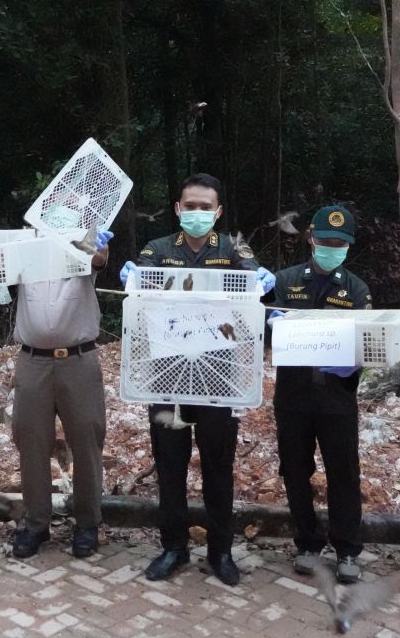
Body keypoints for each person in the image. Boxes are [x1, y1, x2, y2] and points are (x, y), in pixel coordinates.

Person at [119, 173, 276, 587]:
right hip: (166, 374)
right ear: (177, 208)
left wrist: (262, 280)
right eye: (190, 206)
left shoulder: (231, 247)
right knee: (169, 466)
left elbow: (252, 275)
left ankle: (221, 551)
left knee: (217, 467)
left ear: (218, 211)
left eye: (206, 207)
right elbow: (140, 284)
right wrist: (132, 277)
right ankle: (173, 547)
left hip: (217, 375)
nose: (197, 213)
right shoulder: (157, 249)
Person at [0, 224, 113, 559]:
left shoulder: (78, 248)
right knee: (30, 440)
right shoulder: (23, 251)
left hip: (79, 359)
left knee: (86, 441)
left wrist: (97, 246)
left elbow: (99, 259)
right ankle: (36, 523)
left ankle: (87, 524)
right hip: (32, 361)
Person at [267, 205, 372, 584]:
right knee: (296, 470)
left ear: (349, 246)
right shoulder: (285, 281)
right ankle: (307, 542)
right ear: (311, 238)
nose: (332, 248)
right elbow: (262, 334)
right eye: (326, 241)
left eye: (340, 244)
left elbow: (368, 343)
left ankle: (347, 549)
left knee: (343, 473)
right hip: (293, 396)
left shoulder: (357, 289)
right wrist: (270, 324)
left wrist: (353, 365)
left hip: (337, 398)